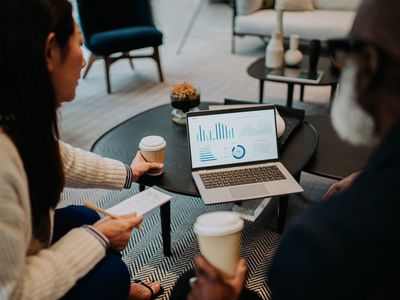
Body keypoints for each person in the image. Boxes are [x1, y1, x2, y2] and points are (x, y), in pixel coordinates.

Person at [172, 0, 400, 298]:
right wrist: (366, 176)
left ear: (370, 64)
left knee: (185, 284)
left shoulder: (317, 247)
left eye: (347, 51)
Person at [0, 0, 163, 299]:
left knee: (81, 217)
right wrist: (97, 238)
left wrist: (129, 172)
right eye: (78, 42)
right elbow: (12, 293)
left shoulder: (15, 119)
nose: (85, 60)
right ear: (50, 51)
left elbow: (60, 157)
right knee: (113, 271)